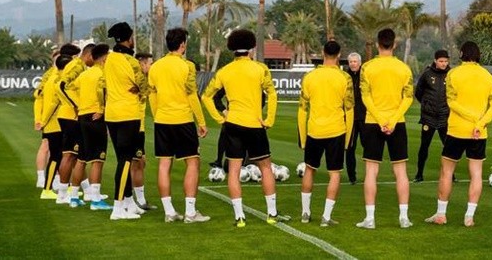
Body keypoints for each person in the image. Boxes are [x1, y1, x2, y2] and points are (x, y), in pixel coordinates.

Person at [201, 29, 289, 227]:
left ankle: (239, 217)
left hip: (232, 124)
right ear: (251, 47)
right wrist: (269, 119)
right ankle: (272, 214)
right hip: (255, 124)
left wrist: (220, 119)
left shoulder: (224, 71)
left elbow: (206, 96)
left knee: (233, 170)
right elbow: (272, 94)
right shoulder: (260, 69)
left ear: (232, 48)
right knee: (266, 168)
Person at [424, 41, 492, 227]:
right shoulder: (488, 77)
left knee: (447, 171)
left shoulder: (453, 74)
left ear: (462, 53)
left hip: (457, 130)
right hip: (478, 133)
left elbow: (452, 102)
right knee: (476, 174)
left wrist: (472, 118)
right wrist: (480, 122)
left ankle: (441, 214)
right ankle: (469, 217)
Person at [148, 28, 210, 223]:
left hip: (162, 121)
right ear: (182, 44)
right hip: (182, 120)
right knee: (192, 162)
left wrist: (158, 115)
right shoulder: (187, 66)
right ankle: (190, 213)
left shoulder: (155, 66)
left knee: (164, 164)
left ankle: (169, 212)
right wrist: (201, 122)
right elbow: (192, 94)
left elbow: (152, 94)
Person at [356, 28, 414, 230]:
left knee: (371, 171)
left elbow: (365, 97)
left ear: (378, 44)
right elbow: (408, 97)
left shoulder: (367, 68)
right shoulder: (404, 68)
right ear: (394, 44)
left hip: (374, 122)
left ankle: (370, 219)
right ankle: (404, 218)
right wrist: (392, 119)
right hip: (397, 123)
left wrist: (381, 120)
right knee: (401, 171)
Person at [297, 40, 354, 227]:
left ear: (323, 53)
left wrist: (303, 138)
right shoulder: (344, 78)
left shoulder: (309, 77)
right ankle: (326, 217)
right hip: (336, 130)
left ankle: (305, 213)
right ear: (339, 55)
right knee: (334, 173)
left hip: (314, 130)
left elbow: (302, 109)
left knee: (309, 169)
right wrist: (347, 140)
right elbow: (350, 110)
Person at [99, 22, 149, 220]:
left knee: (123, 158)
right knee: (125, 161)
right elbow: (144, 85)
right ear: (129, 39)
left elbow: (102, 85)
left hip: (112, 114)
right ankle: (118, 207)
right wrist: (140, 89)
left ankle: (129, 203)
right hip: (129, 114)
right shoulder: (131, 61)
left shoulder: (109, 60)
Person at [70, 43, 112, 210]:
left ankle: (73, 197)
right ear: (103, 57)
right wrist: (101, 110)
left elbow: (69, 87)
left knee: (81, 158)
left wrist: (78, 105)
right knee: (97, 159)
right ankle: (95, 200)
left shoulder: (85, 75)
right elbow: (103, 93)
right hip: (95, 117)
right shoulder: (102, 73)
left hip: (82, 116)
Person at [57, 43, 96, 207]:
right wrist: (76, 106)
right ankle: (62, 194)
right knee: (70, 155)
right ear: (89, 55)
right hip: (71, 115)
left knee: (77, 155)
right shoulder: (77, 66)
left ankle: (86, 191)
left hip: (70, 114)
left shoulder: (78, 66)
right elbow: (62, 86)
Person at [413, 49, 451, 183]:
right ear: (435, 61)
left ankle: (451, 175)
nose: (444, 64)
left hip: (445, 117)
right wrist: (426, 105)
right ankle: (419, 174)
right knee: (424, 146)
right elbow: (418, 92)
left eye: (446, 61)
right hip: (428, 117)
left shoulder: (451, 74)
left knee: (448, 148)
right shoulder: (427, 74)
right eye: (441, 61)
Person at [37, 54, 71, 200]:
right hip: (55, 123)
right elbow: (54, 103)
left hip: (53, 123)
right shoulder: (58, 80)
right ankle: (47, 188)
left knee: (58, 155)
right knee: (56, 156)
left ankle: (56, 186)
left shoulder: (51, 78)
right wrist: (43, 121)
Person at [32, 49, 60, 189]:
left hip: (55, 118)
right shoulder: (49, 76)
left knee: (53, 148)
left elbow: (38, 95)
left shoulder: (50, 75)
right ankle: (44, 177)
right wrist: (40, 119)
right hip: (52, 118)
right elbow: (39, 97)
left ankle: (50, 177)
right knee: (49, 147)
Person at [132, 52, 156, 211]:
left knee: (140, 162)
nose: (152, 67)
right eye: (150, 64)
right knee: (135, 164)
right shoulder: (137, 80)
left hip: (137, 126)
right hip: (133, 126)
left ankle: (138, 200)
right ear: (142, 64)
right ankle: (133, 201)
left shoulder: (142, 80)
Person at [345, 53, 366, 185]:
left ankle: (369, 175)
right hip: (350, 118)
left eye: (355, 61)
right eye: (351, 61)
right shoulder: (344, 77)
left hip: (364, 117)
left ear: (359, 62)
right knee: (350, 148)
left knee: (368, 147)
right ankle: (352, 177)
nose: (353, 64)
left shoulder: (365, 76)